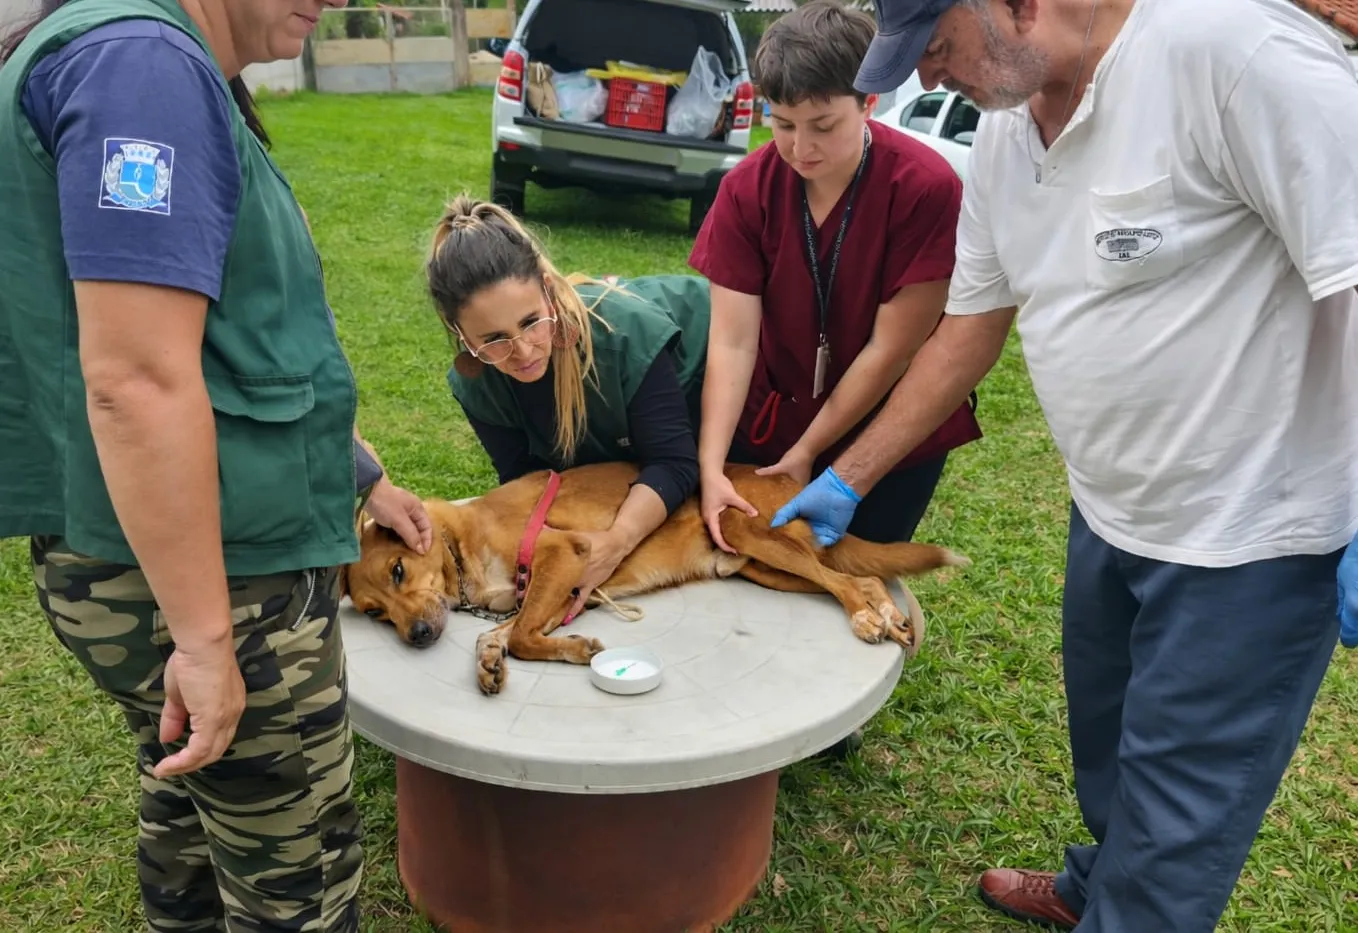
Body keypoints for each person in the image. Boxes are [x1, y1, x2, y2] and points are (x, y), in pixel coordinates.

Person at [792, 0, 1358, 930]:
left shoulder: (1232, 54)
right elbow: (969, 327)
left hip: (1248, 540)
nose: (928, 82)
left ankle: (1131, 904)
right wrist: (849, 475)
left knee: (1180, 825)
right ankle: (1098, 883)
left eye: (935, 49)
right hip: (1109, 509)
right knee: (1109, 748)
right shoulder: (1011, 132)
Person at [0, 0, 432, 928]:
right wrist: (202, 640)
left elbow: (226, 345)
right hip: (213, 577)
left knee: (202, 796)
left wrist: (364, 475)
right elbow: (138, 380)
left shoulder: (140, 54)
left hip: (152, 553)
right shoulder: (140, 68)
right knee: (296, 875)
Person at [688, 0, 982, 558]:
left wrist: (811, 451)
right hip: (775, 415)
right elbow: (732, 340)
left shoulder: (926, 188)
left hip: (885, 427)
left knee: (864, 568)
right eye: (782, 124)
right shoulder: (746, 190)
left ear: (868, 102)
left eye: (824, 126)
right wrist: (710, 466)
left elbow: (892, 348)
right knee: (765, 570)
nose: (801, 148)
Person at [426, 194, 710, 620]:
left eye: (530, 322)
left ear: (547, 288)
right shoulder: (477, 386)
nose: (522, 351)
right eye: (493, 339)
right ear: (461, 334)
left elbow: (675, 463)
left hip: (732, 372)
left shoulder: (623, 335)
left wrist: (615, 542)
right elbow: (529, 483)